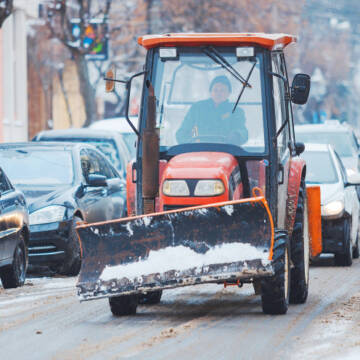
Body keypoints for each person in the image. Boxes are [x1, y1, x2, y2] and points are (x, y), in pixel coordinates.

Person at [176, 75, 248, 145]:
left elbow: (242, 131)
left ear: (229, 93)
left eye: (222, 90)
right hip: (199, 151)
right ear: (210, 92)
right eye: (215, 90)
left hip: (226, 151)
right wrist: (188, 144)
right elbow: (182, 132)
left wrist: (237, 135)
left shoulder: (236, 111)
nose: (218, 93)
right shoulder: (197, 108)